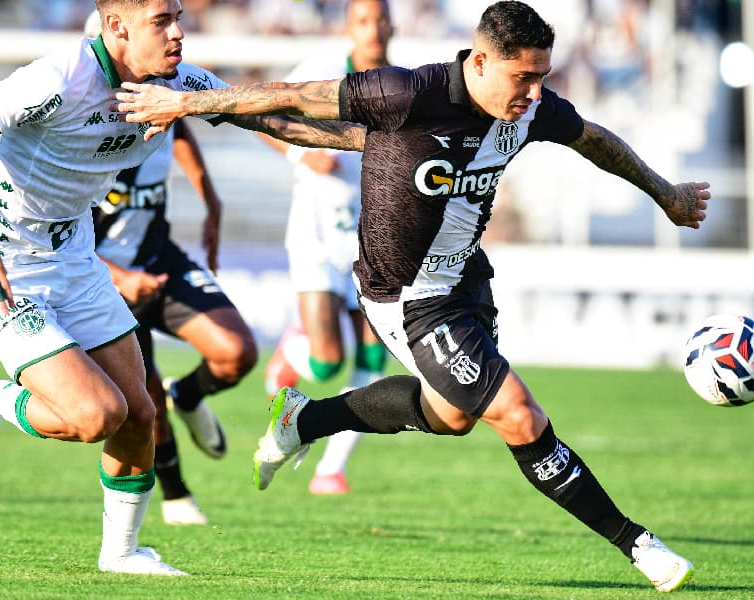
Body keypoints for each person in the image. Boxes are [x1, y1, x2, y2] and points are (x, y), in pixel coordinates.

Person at [113, 1, 711, 591]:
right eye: (522, 76)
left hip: (468, 282)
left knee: (452, 417)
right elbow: (295, 95)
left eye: (541, 77)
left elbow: (595, 138)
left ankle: (305, 417)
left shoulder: (531, 111)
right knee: (520, 416)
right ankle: (639, 544)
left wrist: (665, 193)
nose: (533, 91)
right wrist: (188, 103)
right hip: (406, 296)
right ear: (480, 61)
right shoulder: (407, 94)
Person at [0, 0, 364, 576]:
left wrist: (371, 142)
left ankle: (122, 554)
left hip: (74, 258)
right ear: (117, 27)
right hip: (3, 263)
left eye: (178, 16)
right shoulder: (58, 79)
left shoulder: (178, 84)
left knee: (139, 414)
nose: (179, 32)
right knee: (95, 415)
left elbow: (272, 119)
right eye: (162, 20)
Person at [84, 9, 256, 527]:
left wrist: (211, 199)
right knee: (143, 401)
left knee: (237, 353)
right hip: (102, 279)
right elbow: (59, 235)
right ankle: (177, 495)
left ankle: (192, 393)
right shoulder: (85, 122)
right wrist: (119, 279)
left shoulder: (161, 92)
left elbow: (181, 131)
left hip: (159, 258)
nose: (175, 34)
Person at [258, 0, 393, 496]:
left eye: (380, 20)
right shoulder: (321, 71)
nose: (373, 29)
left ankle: (331, 469)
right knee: (325, 362)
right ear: (348, 27)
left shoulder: (406, 81)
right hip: (317, 230)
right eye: (363, 20)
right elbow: (263, 107)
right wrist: (302, 151)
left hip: (373, 237)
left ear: (392, 25)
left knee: (375, 356)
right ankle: (292, 352)